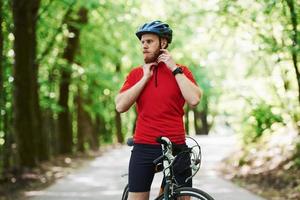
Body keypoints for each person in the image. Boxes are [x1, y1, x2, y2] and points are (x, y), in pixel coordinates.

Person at [115, 20, 202, 200]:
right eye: (142, 42)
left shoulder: (181, 71)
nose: (144, 46)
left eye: (149, 41)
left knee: (182, 197)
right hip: (144, 146)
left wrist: (174, 69)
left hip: (176, 146)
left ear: (163, 43)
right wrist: (145, 78)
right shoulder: (136, 74)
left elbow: (194, 99)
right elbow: (120, 106)